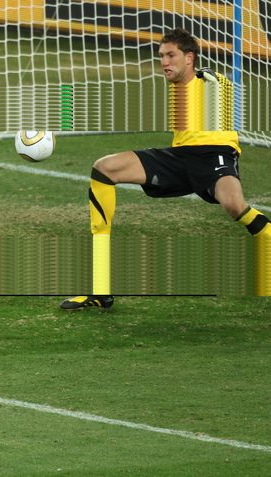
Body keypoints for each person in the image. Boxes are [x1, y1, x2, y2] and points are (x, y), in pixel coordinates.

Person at [60, 28, 271, 309]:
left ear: (189, 58)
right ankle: (100, 288)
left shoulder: (210, 82)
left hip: (215, 155)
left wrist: (206, 77)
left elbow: (216, 87)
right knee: (104, 168)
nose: (164, 62)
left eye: (171, 55)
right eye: (161, 56)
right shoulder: (174, 90)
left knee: (233, 204)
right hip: (179, 158)